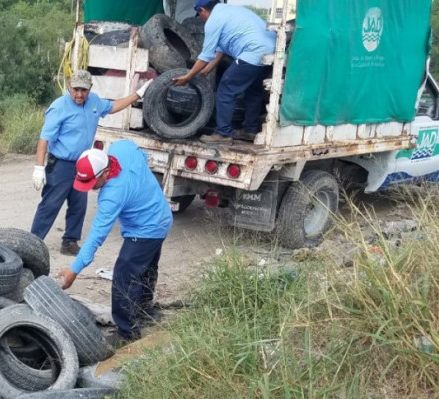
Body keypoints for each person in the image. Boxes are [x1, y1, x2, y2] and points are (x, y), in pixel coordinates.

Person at [57, 140, 172, 347]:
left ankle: (128, 332)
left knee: (123, 277)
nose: (90, 189)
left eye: (92, 183)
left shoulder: (112, 195)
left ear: (106, 173)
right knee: (147, 266)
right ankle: (145, 309)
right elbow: (143, 156)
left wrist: (74, 269)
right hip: (162, 216)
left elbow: (96, 236)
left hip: (144, 230)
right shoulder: (121, 148)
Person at [31, 70, 152, 256]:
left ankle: (70, 242)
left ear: (90, 89)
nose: (80, 94)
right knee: (50, 204)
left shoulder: (94, 101)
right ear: (69, 87)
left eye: (84, 90)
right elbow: (44, 138)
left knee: (79, 204)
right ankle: (33, 243)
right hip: (61, 164)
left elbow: (113, 106)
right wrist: (39, 167)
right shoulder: (59, 107)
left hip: (82, 162)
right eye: (76, 90)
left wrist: (137, 95)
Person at [173, 0, 276, 144]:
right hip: (271, 52)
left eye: (199, 15)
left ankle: (223, 134)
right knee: (253, 92)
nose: (200, 19)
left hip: (253, 52)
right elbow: (219, 51)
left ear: (202, 10)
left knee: (226, 91)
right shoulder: (228, 12)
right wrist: (207, 69)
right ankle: (250, 130)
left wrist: (189, 76)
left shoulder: (213, 21)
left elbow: (205, 55)